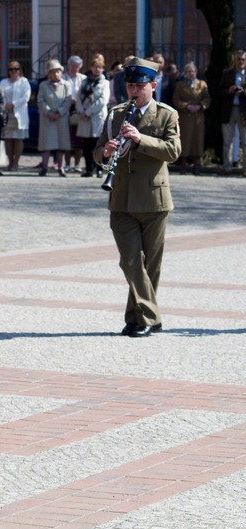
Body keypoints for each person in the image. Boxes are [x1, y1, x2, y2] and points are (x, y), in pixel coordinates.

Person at [93, 57, 181, 338]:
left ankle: (137, 318)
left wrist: (141, 139)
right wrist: (105, 152)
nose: (133, 91)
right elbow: (97, 153)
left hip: (154, 200)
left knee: (150, 265)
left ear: (153, 85)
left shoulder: (167, 114)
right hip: (121, 199)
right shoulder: (116, 113)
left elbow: (172, 151)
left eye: (139, 86)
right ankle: (151, 316)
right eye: (130, 85)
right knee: (130, 260)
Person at [75, 57, 110, 177]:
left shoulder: (105, 83)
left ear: (103, 69)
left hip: (97, 117)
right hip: (84, 117)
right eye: (95, 67)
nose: (97, 69)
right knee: (86, 145)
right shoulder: (84, 82)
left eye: (100, 67)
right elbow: (78, 98)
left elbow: (103, 100)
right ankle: (89, 168)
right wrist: (81, 111)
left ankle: (99, 168)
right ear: (91, 68)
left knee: (98, 145)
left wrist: (88, 112)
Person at [173, 62, 210, 174]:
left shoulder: (202, 84)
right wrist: (186, 106)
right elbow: (175, 99)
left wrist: (200, 106)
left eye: (192, 71)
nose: (190, 74)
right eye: (188, 72)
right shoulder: (180, 85)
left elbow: (207, 98)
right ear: (185, 73)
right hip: (185, 116)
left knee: (197, 140)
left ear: (196, 72)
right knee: (184, 140)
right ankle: (183, 165)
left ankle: (196, 165)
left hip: (198, 116)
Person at [37, 59, 72, 176]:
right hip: (47, 118)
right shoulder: (43, 85)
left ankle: (60, 168)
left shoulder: (66, 84)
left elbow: (68, 100)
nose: (55, 74)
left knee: (61, 143)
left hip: (61, 118)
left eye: (58, 71)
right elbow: (40, 100)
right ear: (49, 73)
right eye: (53, 72)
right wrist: (48, 112)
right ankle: (44, 167)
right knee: (46, 143)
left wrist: (59, 112)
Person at [218, 50, 246, 174]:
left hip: (243, 111)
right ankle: (227, 167)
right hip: (229, 110)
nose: (240, 61)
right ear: (234, 60)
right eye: (238, 59)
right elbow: (219, 91)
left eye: (243, 59)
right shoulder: (227, 73)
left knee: (245, 141)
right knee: (227, 141)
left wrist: (243, 92)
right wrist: (229, 90)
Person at [0, 60, 30, 172]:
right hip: (7, 113)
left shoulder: (24, 81)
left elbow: (26, 97)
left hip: (19, 113)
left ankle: (16, 163)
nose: (13, 71)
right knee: (8, 139)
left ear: (20, 70)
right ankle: (10, 161)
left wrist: (13, 104)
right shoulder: (4, 82)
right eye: (11, 69)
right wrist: (5, 105)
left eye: (16, 69)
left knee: (18, 139)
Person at [64, 56, 86, 173]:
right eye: (73, 66)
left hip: (79, 110)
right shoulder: (62, 78)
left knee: (78, 139)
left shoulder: (83, 79)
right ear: (68, 65)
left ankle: (77, 164)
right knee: (66, 139)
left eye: (77, 67)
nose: (74, 69)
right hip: (65, 110)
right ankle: (67, 164)